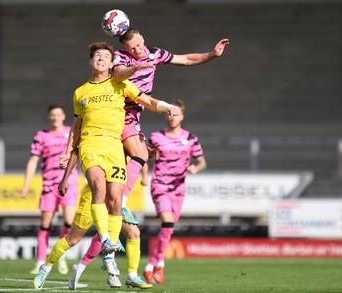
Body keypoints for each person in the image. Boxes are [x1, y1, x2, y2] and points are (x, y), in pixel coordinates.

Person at [72, 27, 228, 287]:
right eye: (132, 49)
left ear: (143, 38)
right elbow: (118, 73)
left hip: (137, 114)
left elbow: (186, 59)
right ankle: (119, 202)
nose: (137, 51)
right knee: (141, 155)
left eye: (138, 45)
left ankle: (108, 264)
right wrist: (136, 66)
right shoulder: (121, 57)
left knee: (129, 227)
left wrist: (212, 55)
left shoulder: (155, 53)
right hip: (120, 111)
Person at [33, 41, 177, 290]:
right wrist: (67, 168)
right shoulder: (80, 93)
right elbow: (76, 132)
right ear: (90, 62)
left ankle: (118, 266)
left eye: (105, 56)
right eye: (96, 56)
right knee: (98, 187)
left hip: (113, 146)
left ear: (112, 63)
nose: (100, 58)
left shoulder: (120, 85)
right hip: (91, 144)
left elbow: (148, 101)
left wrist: (167, 107)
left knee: (115, 199)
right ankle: (53, 264)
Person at [143, 99, 207, 284]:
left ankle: (150, 265)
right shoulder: (156, 137)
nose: (172, 116)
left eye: (175, 114)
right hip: (160, 186)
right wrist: (144, 175)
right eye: (169, 113)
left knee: (168, 229)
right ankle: (160, 265)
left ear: (182, 117)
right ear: (165, 115)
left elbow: (202, 162)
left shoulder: (191, 138)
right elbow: (144, 156)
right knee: (168, 223)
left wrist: (196, 168)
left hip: (178, 189)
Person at [21, 104, 78, 275]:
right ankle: (40, 261)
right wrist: (25, 185)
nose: (55, 117)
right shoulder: (41, 136)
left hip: (69, 182)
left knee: (69, 221)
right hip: (49, 184)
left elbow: (79, 153)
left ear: (63, 116)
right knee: (45, 224)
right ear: (49, 117)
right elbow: (33, 161)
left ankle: (59, 253)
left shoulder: (72, 132)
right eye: (52, 115)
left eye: (58, 114)